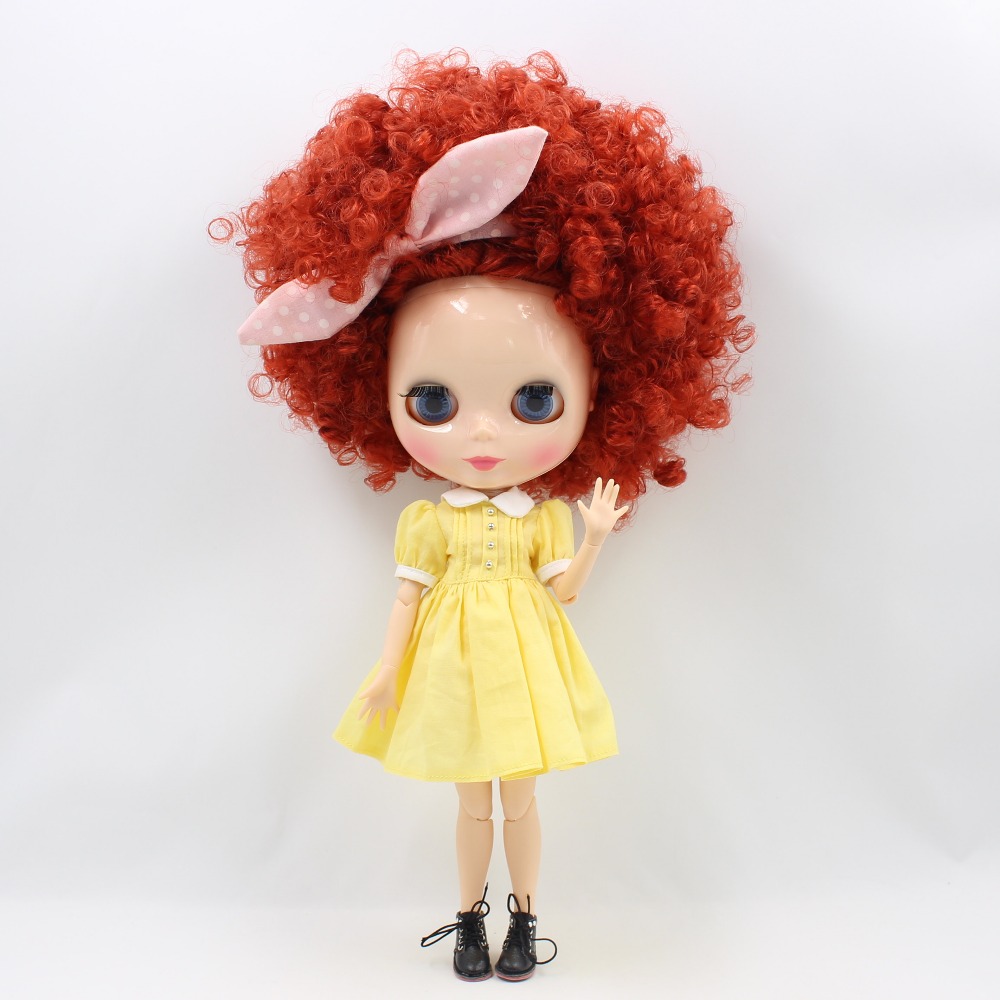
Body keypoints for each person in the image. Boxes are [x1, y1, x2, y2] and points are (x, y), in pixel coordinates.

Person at [217, 50, 751, 982]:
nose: (483, 435)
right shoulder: (431, 524)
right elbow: (406, 597)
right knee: (473, 804)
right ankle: (468, 919)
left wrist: (592, 539)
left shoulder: (542, 519)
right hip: (453, 675)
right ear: (371, 387)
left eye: (535, 400)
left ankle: (525, 921)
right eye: (433, 402)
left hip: (527, 670)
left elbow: (563, 595)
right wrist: (388, 673)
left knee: (521, 802)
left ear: (604, 390)